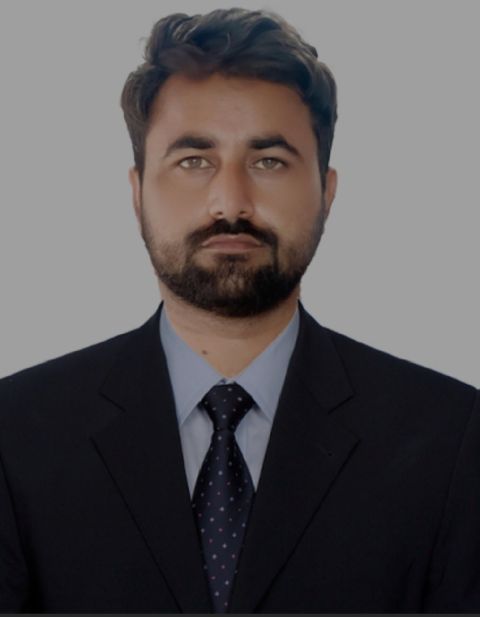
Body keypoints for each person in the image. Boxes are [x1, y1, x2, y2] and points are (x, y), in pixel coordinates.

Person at [0, 7, 478, 613]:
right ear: (137, 192)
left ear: (326, 192)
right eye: (193, 161)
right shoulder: (16, 434)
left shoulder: (452, 438)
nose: (230, 202)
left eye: (269, 161)